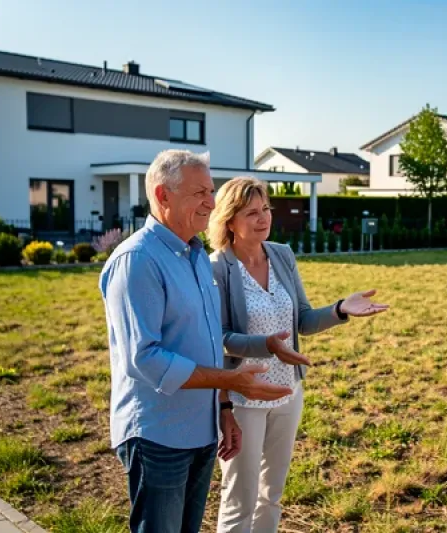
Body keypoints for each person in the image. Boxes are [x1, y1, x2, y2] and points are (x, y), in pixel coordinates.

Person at [99, 150, 293, 533]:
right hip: (158, 436)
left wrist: (223, 409)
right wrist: (230, 382)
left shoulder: (196, 255)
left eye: (211, 190)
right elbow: (146, 359)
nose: (210, 201)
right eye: (199, 192)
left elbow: (207, 340)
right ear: (163, 195)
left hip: (201, 430)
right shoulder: (137, 260)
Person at [208, 177, 389, 533]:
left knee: (271, 494)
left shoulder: (281, 254)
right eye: (251, 213)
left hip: (288, 391)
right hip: (245, 394)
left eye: (266, 210)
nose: (263, 219)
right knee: (239, 499)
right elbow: (219, 338)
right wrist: (266, 345)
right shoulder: (218, 267)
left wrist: (340, 309)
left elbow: (302, 320)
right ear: (229, 220)